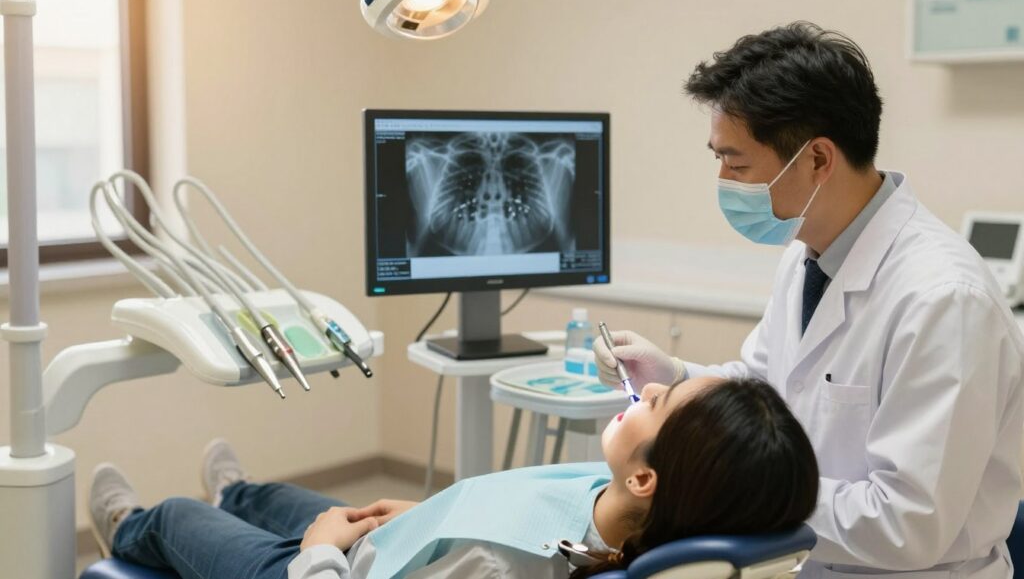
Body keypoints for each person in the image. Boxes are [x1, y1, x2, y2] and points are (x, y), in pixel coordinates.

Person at [594, 21, 1024, 579]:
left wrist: (723, 487)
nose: (723, 179)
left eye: (737, 163)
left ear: (818, 159)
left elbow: (908, 524)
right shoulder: (809, 253)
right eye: (718, 159)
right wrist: (675, 375)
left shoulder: (945, 301)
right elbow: (772, 388)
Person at [88, 376, 818, 579]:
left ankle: (131, 529)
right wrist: (441, 513)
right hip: (407, 535)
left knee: (183, 516)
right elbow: (510, 507)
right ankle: (238, 497)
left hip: (328, 571)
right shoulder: (617, 512)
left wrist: (316, 549)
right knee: (271, 495)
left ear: (648, 480)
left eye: (654, 402)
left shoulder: (502, 567)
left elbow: (495, 549)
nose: (638, 392)